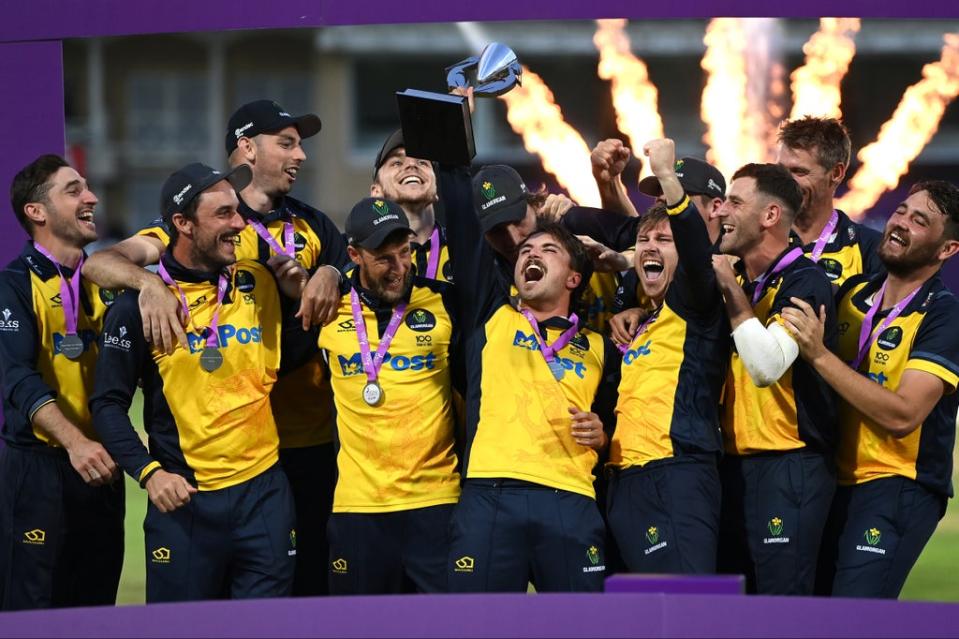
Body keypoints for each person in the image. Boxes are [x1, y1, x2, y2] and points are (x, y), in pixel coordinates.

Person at [82, 99, 347, 596]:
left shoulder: (260, 269)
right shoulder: (138, 304)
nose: (239, 223)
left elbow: (310, 311)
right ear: (183, 224)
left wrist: (312, 282)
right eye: (224, 213)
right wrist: (149, 473)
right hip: (185, 498)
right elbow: (108, 402)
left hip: (269, 488)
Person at [441, 163, 619, 592]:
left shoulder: (600, 346)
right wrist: (453, 147)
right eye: (524, 254)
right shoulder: (490, 315)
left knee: (579, 628)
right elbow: (464, 225)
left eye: (547, 251)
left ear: (574, 278)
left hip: (571, 497)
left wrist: (603, 430)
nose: (530, 254)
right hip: (491, 492)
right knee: (477, 627)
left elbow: (618, 418)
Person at [782, 181, 959, 598]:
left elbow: (904, 415)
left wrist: (820, 355)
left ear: (947, 250)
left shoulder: (944, 316)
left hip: (896, 484)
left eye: (920, 221)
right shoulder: (854, 293)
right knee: (813, 612)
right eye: (901, 211)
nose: (900, 223)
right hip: (830, 480)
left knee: (855, 618)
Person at [318, 197, 460, 594]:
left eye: (405, 253)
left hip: (437, 502)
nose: (400, 268)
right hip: (358, 508)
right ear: (354, 255)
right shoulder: (325, 310)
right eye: (384, 258)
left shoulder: (445, 301)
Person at [0, 155, 124, 610]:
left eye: (87, 188)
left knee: (96, 610)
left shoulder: (109, 285)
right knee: (32, 614)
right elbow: (16, 378)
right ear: (37, 212)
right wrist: (75, 443)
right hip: (41, 470)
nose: (90, 197)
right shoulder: (11, 286)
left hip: (103, 470)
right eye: (73, 190)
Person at [711, 162, 838, 595]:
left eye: (734, 202)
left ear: (770, 217)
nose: (721, 211)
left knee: (780, 607)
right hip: (734, 463)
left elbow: (766, 367)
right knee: (734, 607)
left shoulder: (806, 281)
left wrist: (730, 290)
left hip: (788, 464)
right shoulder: (747, 277)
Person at [604, 139, 727, 574]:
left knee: (688, 609)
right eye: (643, 241)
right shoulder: (645, 317)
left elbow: (697, 255)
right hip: (624, 477)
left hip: (676, 471)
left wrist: (670, 182)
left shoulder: (697, 301)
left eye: (664, 239)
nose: (651, 248)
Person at [777, 116, 883, 285]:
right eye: (781, 170)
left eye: (799, 172)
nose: (784, 181)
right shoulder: (754, 236)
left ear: (836, 173)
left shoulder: (871, 250)